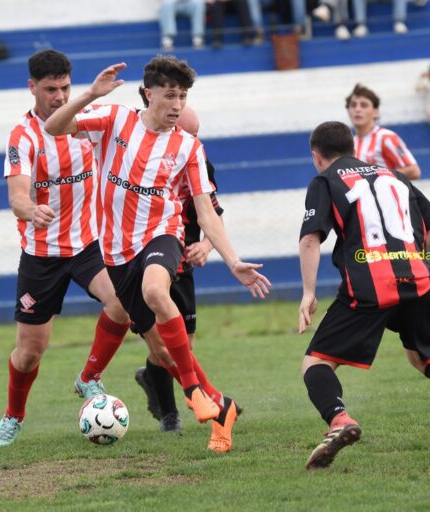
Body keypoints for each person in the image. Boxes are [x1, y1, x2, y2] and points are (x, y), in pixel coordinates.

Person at [45, 56, 271, 452]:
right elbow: (53, 127)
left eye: (182, 96)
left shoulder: (188, 147)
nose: (177, 106)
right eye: (170, 95)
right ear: (149, 94)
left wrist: (232, 259)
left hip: (162, 235)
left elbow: (205, 211)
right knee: (162, 350)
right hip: (116, 253)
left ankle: (194, 394)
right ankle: (221, 407)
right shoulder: (114, 120)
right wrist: (89, 95)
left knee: (155, 291)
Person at [297, 121, 430, 469]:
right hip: (417, 280)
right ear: (353, 148)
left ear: (317, 157)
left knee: (316, 362)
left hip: (368, 286)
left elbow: (310, 239)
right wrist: (403, 255)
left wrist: (307, 293)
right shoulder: (394, 175)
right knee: (426, 357)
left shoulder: (324, 179)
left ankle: (340, 421)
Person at [0, 50, 132, 447]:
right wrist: (30, 209)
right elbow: (16, 194)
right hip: (41, 254)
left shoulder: (84, 125)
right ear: (32, 87)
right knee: (30, 352)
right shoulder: (23, 135)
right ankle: (13, 416)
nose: (58, 96)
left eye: (65, 87)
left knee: (123, 303)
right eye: (50, 89)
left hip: (88, 245)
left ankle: (89, 377)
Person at [345, 83, 430, 327]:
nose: (357, 109)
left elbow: (414, 170)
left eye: (364, 105)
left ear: (375, 111)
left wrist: (377, 174)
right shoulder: (351, 144)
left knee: (404, 266)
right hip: (374, 219)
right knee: (404, 268)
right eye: (353, 105)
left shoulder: (385, 137)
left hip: (397, 215)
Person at [132, 104, 225, 435]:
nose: (193, 141)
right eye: (189, 134)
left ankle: (152, 377)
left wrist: (207, 245)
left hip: (182, 262)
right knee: (162, 345)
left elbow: (212, 213)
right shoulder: (143, 158)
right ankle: (171, 415)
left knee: (182, 345)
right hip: (143, 256)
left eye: (197, 134)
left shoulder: (200, 161)